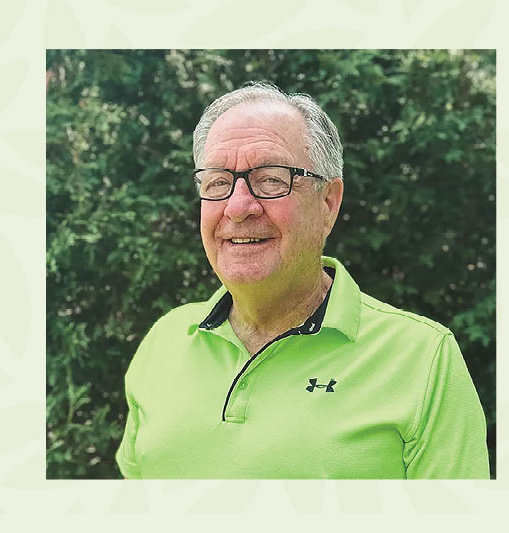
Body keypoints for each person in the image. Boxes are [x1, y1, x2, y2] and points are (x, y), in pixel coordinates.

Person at [115, 82, 489, 479]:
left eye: (272, 179)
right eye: (218, 182)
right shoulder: (164, 339)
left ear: (328, 202)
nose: (238, 207)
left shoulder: (423, 358)